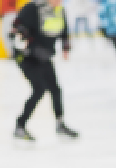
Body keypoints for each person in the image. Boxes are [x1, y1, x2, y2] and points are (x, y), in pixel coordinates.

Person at [10, 0, 79, 141]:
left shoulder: (59, 10)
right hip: (27, 57)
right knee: (39, 89)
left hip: (44, 56)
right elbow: (16, 26)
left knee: (55, 89)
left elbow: (64, 29)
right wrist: (27, 40)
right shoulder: (32, 7)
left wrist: (65, 47)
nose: (58, 1)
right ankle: (20, 126)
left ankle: (60, 124)